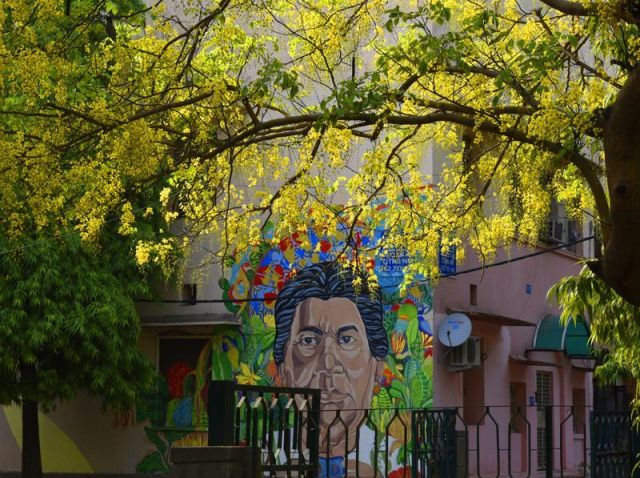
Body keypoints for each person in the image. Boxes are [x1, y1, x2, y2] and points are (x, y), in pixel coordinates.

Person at [274, 261, 388, 475]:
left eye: (346, 339)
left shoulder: (398, 455)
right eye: (308, 341)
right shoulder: (263, 455)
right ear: (282, 367)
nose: (327, 365)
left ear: (377, 366)